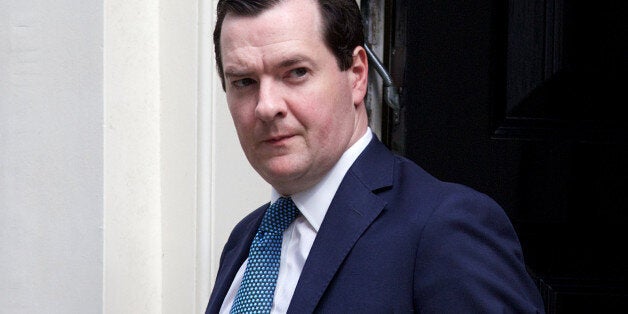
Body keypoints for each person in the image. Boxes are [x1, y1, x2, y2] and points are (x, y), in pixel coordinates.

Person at [206, 0, 546, 313]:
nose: (267, 106)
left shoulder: (444, 229)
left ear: (357, 75)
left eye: (296, 72)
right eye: (244, 81)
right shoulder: (247, 239)